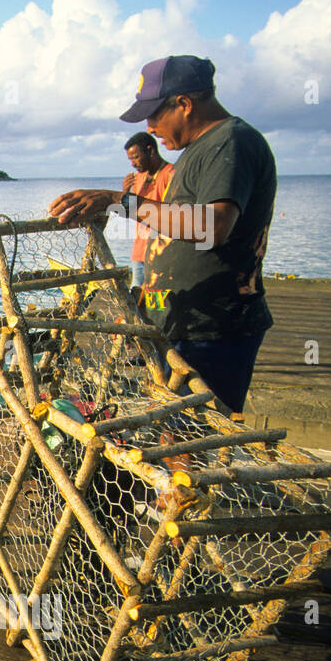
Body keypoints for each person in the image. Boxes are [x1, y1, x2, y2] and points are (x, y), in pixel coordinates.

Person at [48, 55, 276, 414]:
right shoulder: (196, 150)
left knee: (195, 441)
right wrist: (151, 300)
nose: (151, 127)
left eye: (154, 115)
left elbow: (212, 226)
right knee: (172, 439)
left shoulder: (230, 142)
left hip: (213, 331)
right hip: (184, 324)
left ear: (184, 104)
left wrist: (116, 200)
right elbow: (175, 233)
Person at [121, 131, 173, 290]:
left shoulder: (170, 174)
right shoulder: (139, 178)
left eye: (136, 157)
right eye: (130, 159)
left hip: (160, 253)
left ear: (150, 150)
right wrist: (125, 193)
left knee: (158, 303)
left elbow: (173, 216)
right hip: (139, 252)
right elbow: (131, 213)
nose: (133, 163)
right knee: (137, 300)